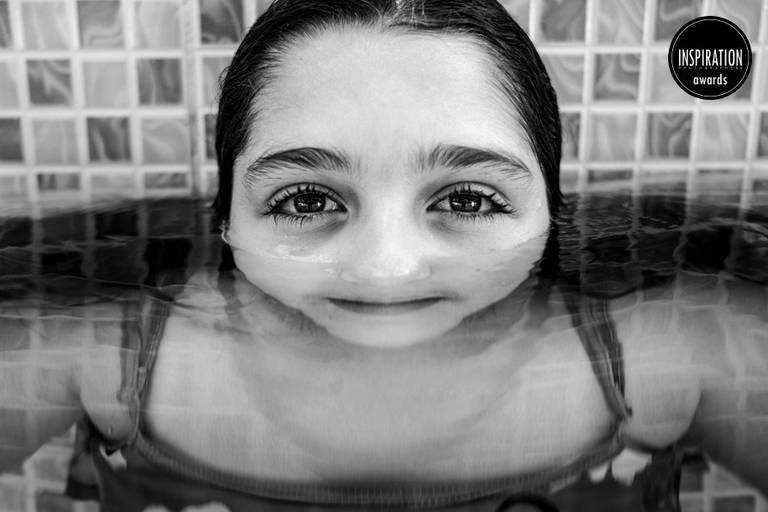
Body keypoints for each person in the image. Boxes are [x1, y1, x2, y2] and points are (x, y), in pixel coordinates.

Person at [1, 0, 767, 510]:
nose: (384, 269)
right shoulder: (96, 348)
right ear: (225, 216)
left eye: (468, 200)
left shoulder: (677, 348)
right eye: (307, 201)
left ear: (552, 212)